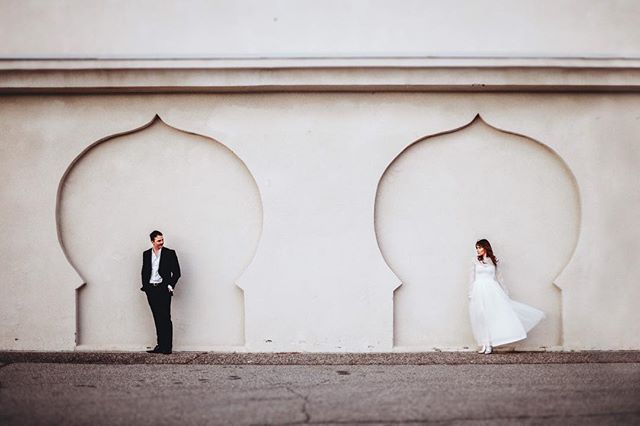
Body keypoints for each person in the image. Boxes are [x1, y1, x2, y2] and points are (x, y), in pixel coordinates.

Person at [469, 239, 544, 354]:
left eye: (479, 247)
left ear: (485, 247)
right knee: (481, 318)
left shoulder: (494, 261)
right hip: (479, 291)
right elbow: (472, 279)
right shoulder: (475, 262)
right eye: (477, 248)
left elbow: (499, 278)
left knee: (491, 317)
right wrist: (470, 293)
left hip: (492, 291)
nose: (478, 250)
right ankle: (485, 344)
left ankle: (490, 345)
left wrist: (505, 293)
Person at [140, 230, 181, 354]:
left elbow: (177, 272)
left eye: (162, 240)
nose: (161, 242)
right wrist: (146, 287)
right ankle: (160, 345)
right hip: (151, 289)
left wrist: (170, 285)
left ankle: (167, 347)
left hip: (163, 288)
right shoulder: (146, 254)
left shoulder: (169, 253)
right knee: (157, 317)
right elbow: (144, 271)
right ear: (152, 241)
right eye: (159, 240)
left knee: (165, 318)